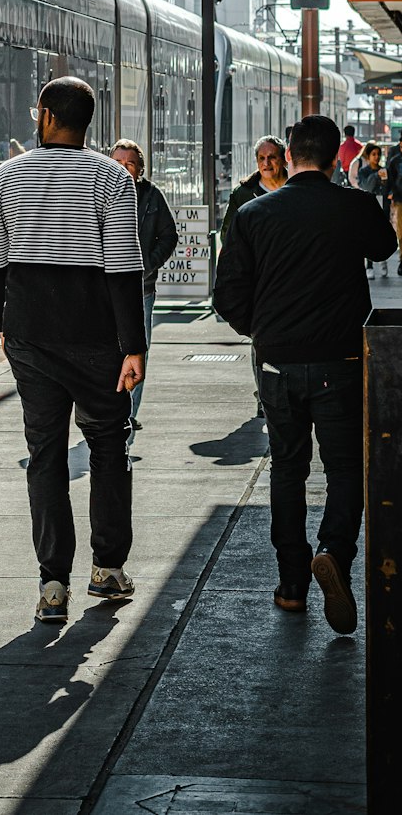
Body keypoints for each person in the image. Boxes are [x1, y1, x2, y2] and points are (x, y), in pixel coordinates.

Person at [213, 113, 398, 634]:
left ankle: (292, 586)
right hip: (340, 361)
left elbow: (226, 294)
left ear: (289, 155)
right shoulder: (354, 205)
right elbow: (386, 247)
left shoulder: (253, 214)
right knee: (344, 469)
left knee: (287, 469)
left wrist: (263, 329)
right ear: (338, 156)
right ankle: (334, 552)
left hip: (277, 364)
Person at [0, 76, 145, 624]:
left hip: (32, 337)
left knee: (45, 454)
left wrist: (6, 325)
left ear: (47, 116)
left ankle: (53, 583)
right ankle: (108, 569)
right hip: (97, 338)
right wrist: (133, 347)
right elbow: (124, 268)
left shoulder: (7, 176)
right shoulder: (110, 178)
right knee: (107, 449)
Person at [109, 140, 177, 430]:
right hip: (105, 290)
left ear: (140, 169)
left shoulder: (151, 196)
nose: (124, 168)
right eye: (118, 162)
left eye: (130, 163)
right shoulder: (100, 194)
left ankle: (128, 413)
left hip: (141, 289)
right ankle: (110, 408)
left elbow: (169, 236)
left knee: (137, 349)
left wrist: (147, 264)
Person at [220, 136, 288, 243]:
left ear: (284, 160)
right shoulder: (242, 195)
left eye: (272, 157)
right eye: (262, 158)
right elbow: (228, 235)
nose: (266, 163)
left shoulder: (299, 189)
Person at [356, 141, 391, 276]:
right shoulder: (364, 171)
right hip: (368, 204)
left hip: (382, 204)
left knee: (382, 233)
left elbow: (387, 188)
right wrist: (376, 176)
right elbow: (367, 186)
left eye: (378, 154)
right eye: (373, 154)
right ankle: (369, 265)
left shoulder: (383, 170)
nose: (376, 157)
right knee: (368, 233)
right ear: (368, 156)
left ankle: (383, 262)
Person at [385, 137, 402, 276]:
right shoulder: (395, 160)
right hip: (399, 198)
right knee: (401, 231)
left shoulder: (394, 159)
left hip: (398, 197)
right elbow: (390, 180)